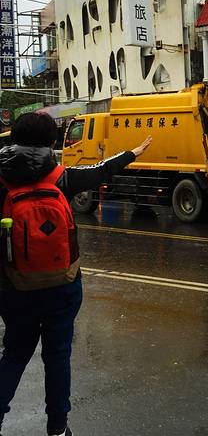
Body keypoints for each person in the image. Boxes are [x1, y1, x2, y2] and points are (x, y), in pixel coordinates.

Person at [0, 112, 152, 436]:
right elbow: (102, 170)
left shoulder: (2, 181)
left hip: (14, 285)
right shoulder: (62, 178)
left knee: (14, 354)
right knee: (58, 356)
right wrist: (132, 153)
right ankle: (57, 428)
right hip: (62, 284)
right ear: (51, 142)